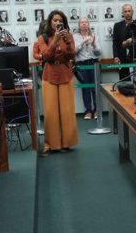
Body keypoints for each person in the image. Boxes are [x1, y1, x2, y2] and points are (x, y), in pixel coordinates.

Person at [33, 10, 78, 155]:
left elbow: (72, 54)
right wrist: (55, 40)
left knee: (66, 110)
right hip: (49, 74)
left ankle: (67, 143)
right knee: (51, 111)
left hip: (65, 73)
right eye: (55, 20)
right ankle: (52, 144)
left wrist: (68, 41)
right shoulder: (42, 37)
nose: (57, 23)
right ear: (49, 22)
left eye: (60, 20)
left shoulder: (68, 35)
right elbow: (45, 55)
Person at [72, 17, 100, 120]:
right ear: (79, 25)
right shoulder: (75, 36)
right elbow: (74, 51)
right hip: (81, 64)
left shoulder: (94, 35)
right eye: (82, 22)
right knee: (85, 88)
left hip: (94, 63)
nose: (84, 24)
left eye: (85, 22)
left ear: (88, 24)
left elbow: (99, 52)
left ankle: (97, 110)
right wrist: (82, 42)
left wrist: (94, 44)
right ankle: (88, 111)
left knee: (95, 87)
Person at [112, 4, 134, 81]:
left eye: (129, 11)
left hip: (135, 58)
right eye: (125, 11)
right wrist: (116, 56)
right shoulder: (117, 26)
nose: (127, 13)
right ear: (123, 13)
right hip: (122, 58)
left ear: (132, 12)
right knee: (124, 82)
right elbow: (115, 42)